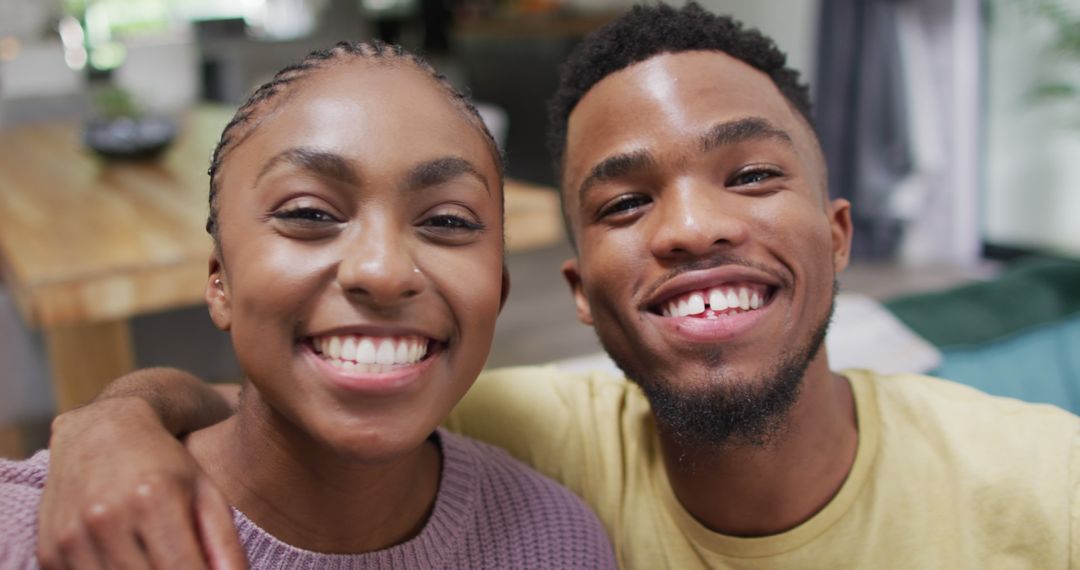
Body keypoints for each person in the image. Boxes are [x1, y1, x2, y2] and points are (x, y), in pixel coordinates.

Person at [26, 3, 1080, 568]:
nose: (696, 226)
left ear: (840, 235)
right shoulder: (528, 436)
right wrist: (106, 433)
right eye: (625, 204)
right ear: (578, 291)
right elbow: (254, 408)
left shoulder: (1042, 481)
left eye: (751, 175)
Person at [0, 40, 617, 570]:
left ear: (498, 294)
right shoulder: (45, 535)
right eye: (309, 214)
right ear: (221, 283)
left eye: (448, 221)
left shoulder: (557, 540)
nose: (382, 270)